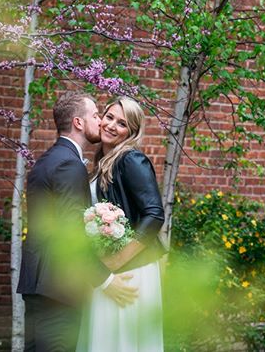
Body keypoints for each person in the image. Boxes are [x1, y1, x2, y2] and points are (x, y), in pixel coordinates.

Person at [17, 91, 139, 352]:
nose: (101, 122)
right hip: (58, 288)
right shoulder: (69, 165)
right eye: (96, 115)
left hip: (38, 285)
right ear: (78, 123)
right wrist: (105, 280)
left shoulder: (46, 160)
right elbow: (71, 230)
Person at [77, 96, 166, 352]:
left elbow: (154, 215)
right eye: (109, 117)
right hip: (108, 267)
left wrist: (116, 260)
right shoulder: (103, 162)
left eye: (122, 123)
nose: (112, 126)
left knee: (121, 342)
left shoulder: (130, 160)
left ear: (132, 132)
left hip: (130, 269)